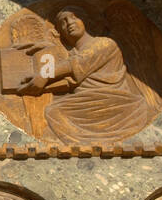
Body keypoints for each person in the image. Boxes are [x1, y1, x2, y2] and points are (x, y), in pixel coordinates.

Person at [15, 8, 148, 142]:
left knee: (54, 111)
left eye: (74, 17)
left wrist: (44, 75)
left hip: (113, 99)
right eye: (63, 22)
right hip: (86, 100)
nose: (69, 23)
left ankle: (85, 143)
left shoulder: (105, 43)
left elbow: (77, 63)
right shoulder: (71, 53)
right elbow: (69, 79)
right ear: (60, 32)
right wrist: (46, 51)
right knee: (52, 111)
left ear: (86, 21)